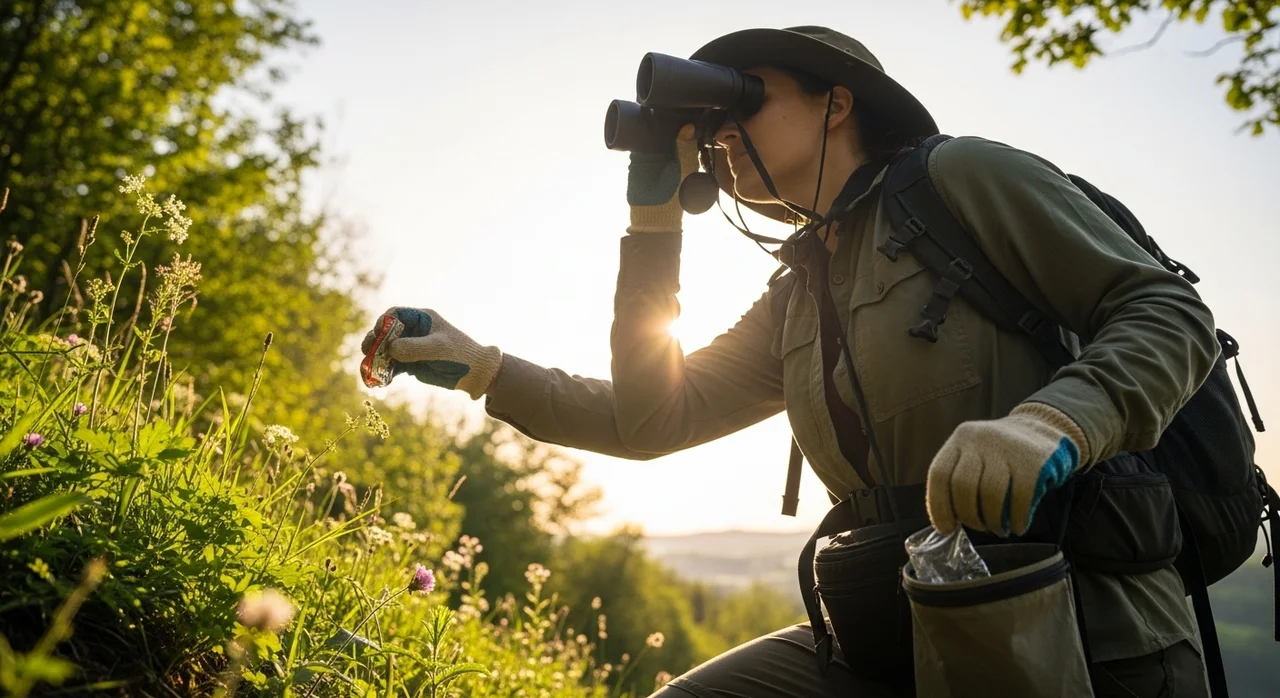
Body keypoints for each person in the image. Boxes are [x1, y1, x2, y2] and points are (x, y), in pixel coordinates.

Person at [363, 26, 1217, 698]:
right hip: (898, 627)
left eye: (744, 99)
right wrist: (483, 364)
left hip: (1074, 625)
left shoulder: (963, 177)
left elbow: (1169, 312)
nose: (719, 131)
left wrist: (1052, 422)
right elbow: (653, 415)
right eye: (710, 116)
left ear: (837, 104)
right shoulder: (803, 284)